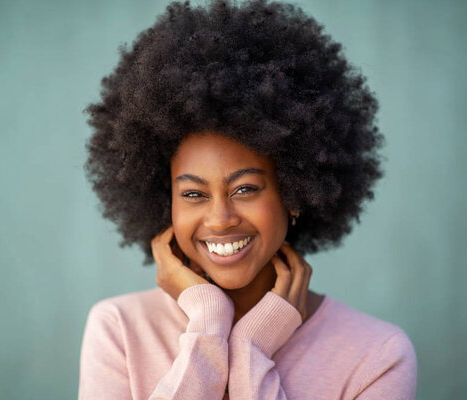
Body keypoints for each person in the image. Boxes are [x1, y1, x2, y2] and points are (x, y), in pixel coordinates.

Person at [78, 0, 417, 399]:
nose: (220, 219)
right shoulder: (119, 329)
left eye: (245, 189)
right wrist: (208, 325)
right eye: (193, 194)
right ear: (163, 198)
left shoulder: (376, 355)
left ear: (294, 192)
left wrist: (250, 349)